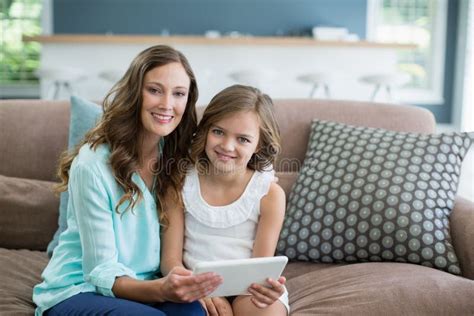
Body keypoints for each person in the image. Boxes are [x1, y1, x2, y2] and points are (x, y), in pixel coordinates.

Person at [32, 45, 222, 316]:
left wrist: (190, 285)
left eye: (178, 93)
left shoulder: (175, 155)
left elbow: (231, 167)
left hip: (147, 284)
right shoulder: (92, 165)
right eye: (155, 90)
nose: (167, 104)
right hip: (79, 288)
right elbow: (102, 272)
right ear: (135, 93)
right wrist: (163, 290)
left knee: (194, 312)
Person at [161, 84, 289, 316]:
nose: (227, 146)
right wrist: (200, 289)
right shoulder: (179, 183)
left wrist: (265, 290)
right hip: (194, 282)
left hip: (249, 287)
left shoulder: (270, 195)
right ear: (206, 130)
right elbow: (170, 260)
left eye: (243, 139)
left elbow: (260, 267)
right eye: (218, 132)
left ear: (259, 144)